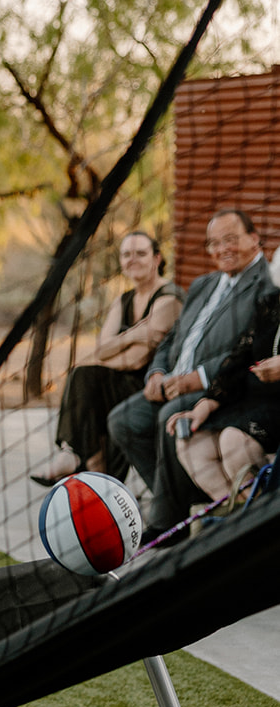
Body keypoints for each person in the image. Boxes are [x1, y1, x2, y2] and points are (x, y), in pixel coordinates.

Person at [107, 209, 273, 541]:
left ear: (254, 239)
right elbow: (172, 337)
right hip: (170, 380)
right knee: (123, 419)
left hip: (220, 386)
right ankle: (174, 497)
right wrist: (157, 371)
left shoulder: (267, 284)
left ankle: (168, 519)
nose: (222, 249)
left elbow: (250, 350)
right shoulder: (204, 283)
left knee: (171, 417)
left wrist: (196, 378)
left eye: (230, 239)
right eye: (214, 243)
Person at [31, 233, 183, 487]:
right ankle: (87, 466)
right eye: (126, 254)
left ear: (157, 258)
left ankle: (88, 467)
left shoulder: (169, 298)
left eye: (141, 253)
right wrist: (135, 333)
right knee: (83, 375)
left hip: (149, 386)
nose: (132, 259)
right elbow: (101, 350)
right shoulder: (123, 299)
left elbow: (137, 360)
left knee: (87, 379)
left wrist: (116, 344)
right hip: (118, 383)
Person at [166, 284, 280, 503]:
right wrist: (205, 405)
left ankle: (262, 522)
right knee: (190, 440)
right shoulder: (271, 302)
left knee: (233, 441)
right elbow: (240, 357)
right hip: (253, 401)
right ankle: (237, 515)